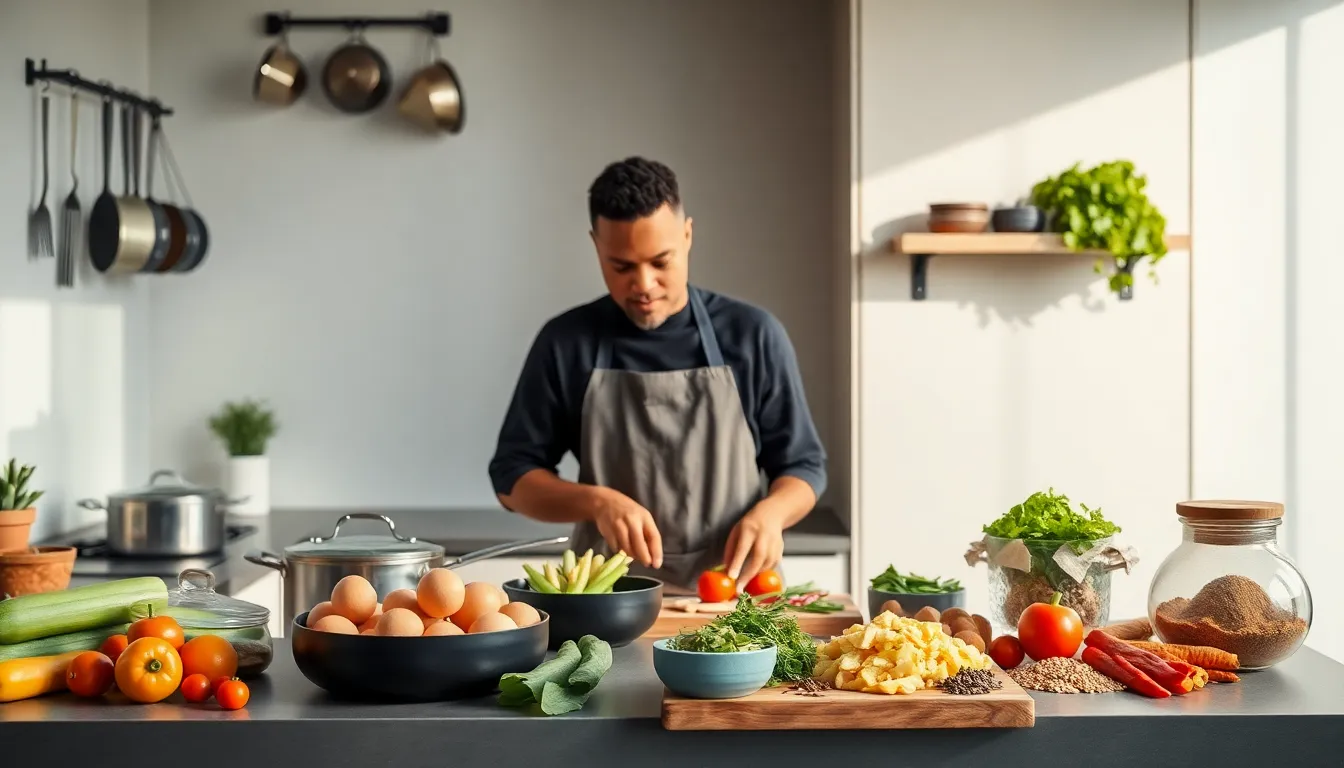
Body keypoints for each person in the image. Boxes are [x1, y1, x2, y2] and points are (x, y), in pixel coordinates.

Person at [488, 156, 827, 593]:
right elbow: (512, 478)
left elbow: (804, 464)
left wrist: (772, 513)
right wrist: (596, 501)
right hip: (608, 604)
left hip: (735, 597)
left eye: (660, 261)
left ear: (687, 236)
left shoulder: (753, 335)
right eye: (622, 266)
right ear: (596, 247)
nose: (643, 284)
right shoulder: (566, 342)